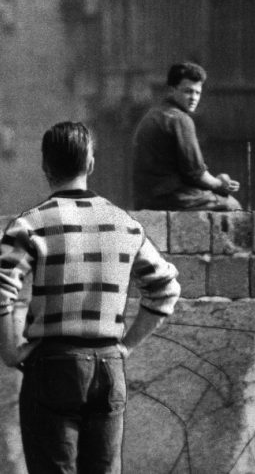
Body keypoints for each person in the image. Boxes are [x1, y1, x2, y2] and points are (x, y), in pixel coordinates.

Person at [0, 122, 181, 473]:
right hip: (109, 367)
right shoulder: (125, 225)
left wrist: (9, 350)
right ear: (91, 164)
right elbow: (166, 289)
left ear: (46, 168)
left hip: (52, 365)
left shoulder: (30, 225)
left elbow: (1, 284)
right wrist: (125, 347)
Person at [132, 62, 242, 210]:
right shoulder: (180, 119)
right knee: (233, 206)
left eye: (197, 93)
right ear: (172, 90)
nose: (193, 98)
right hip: (172, 199)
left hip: (145, 199)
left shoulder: (152, 115)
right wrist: (220, 184)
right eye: (188, 91)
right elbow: (196, 174)